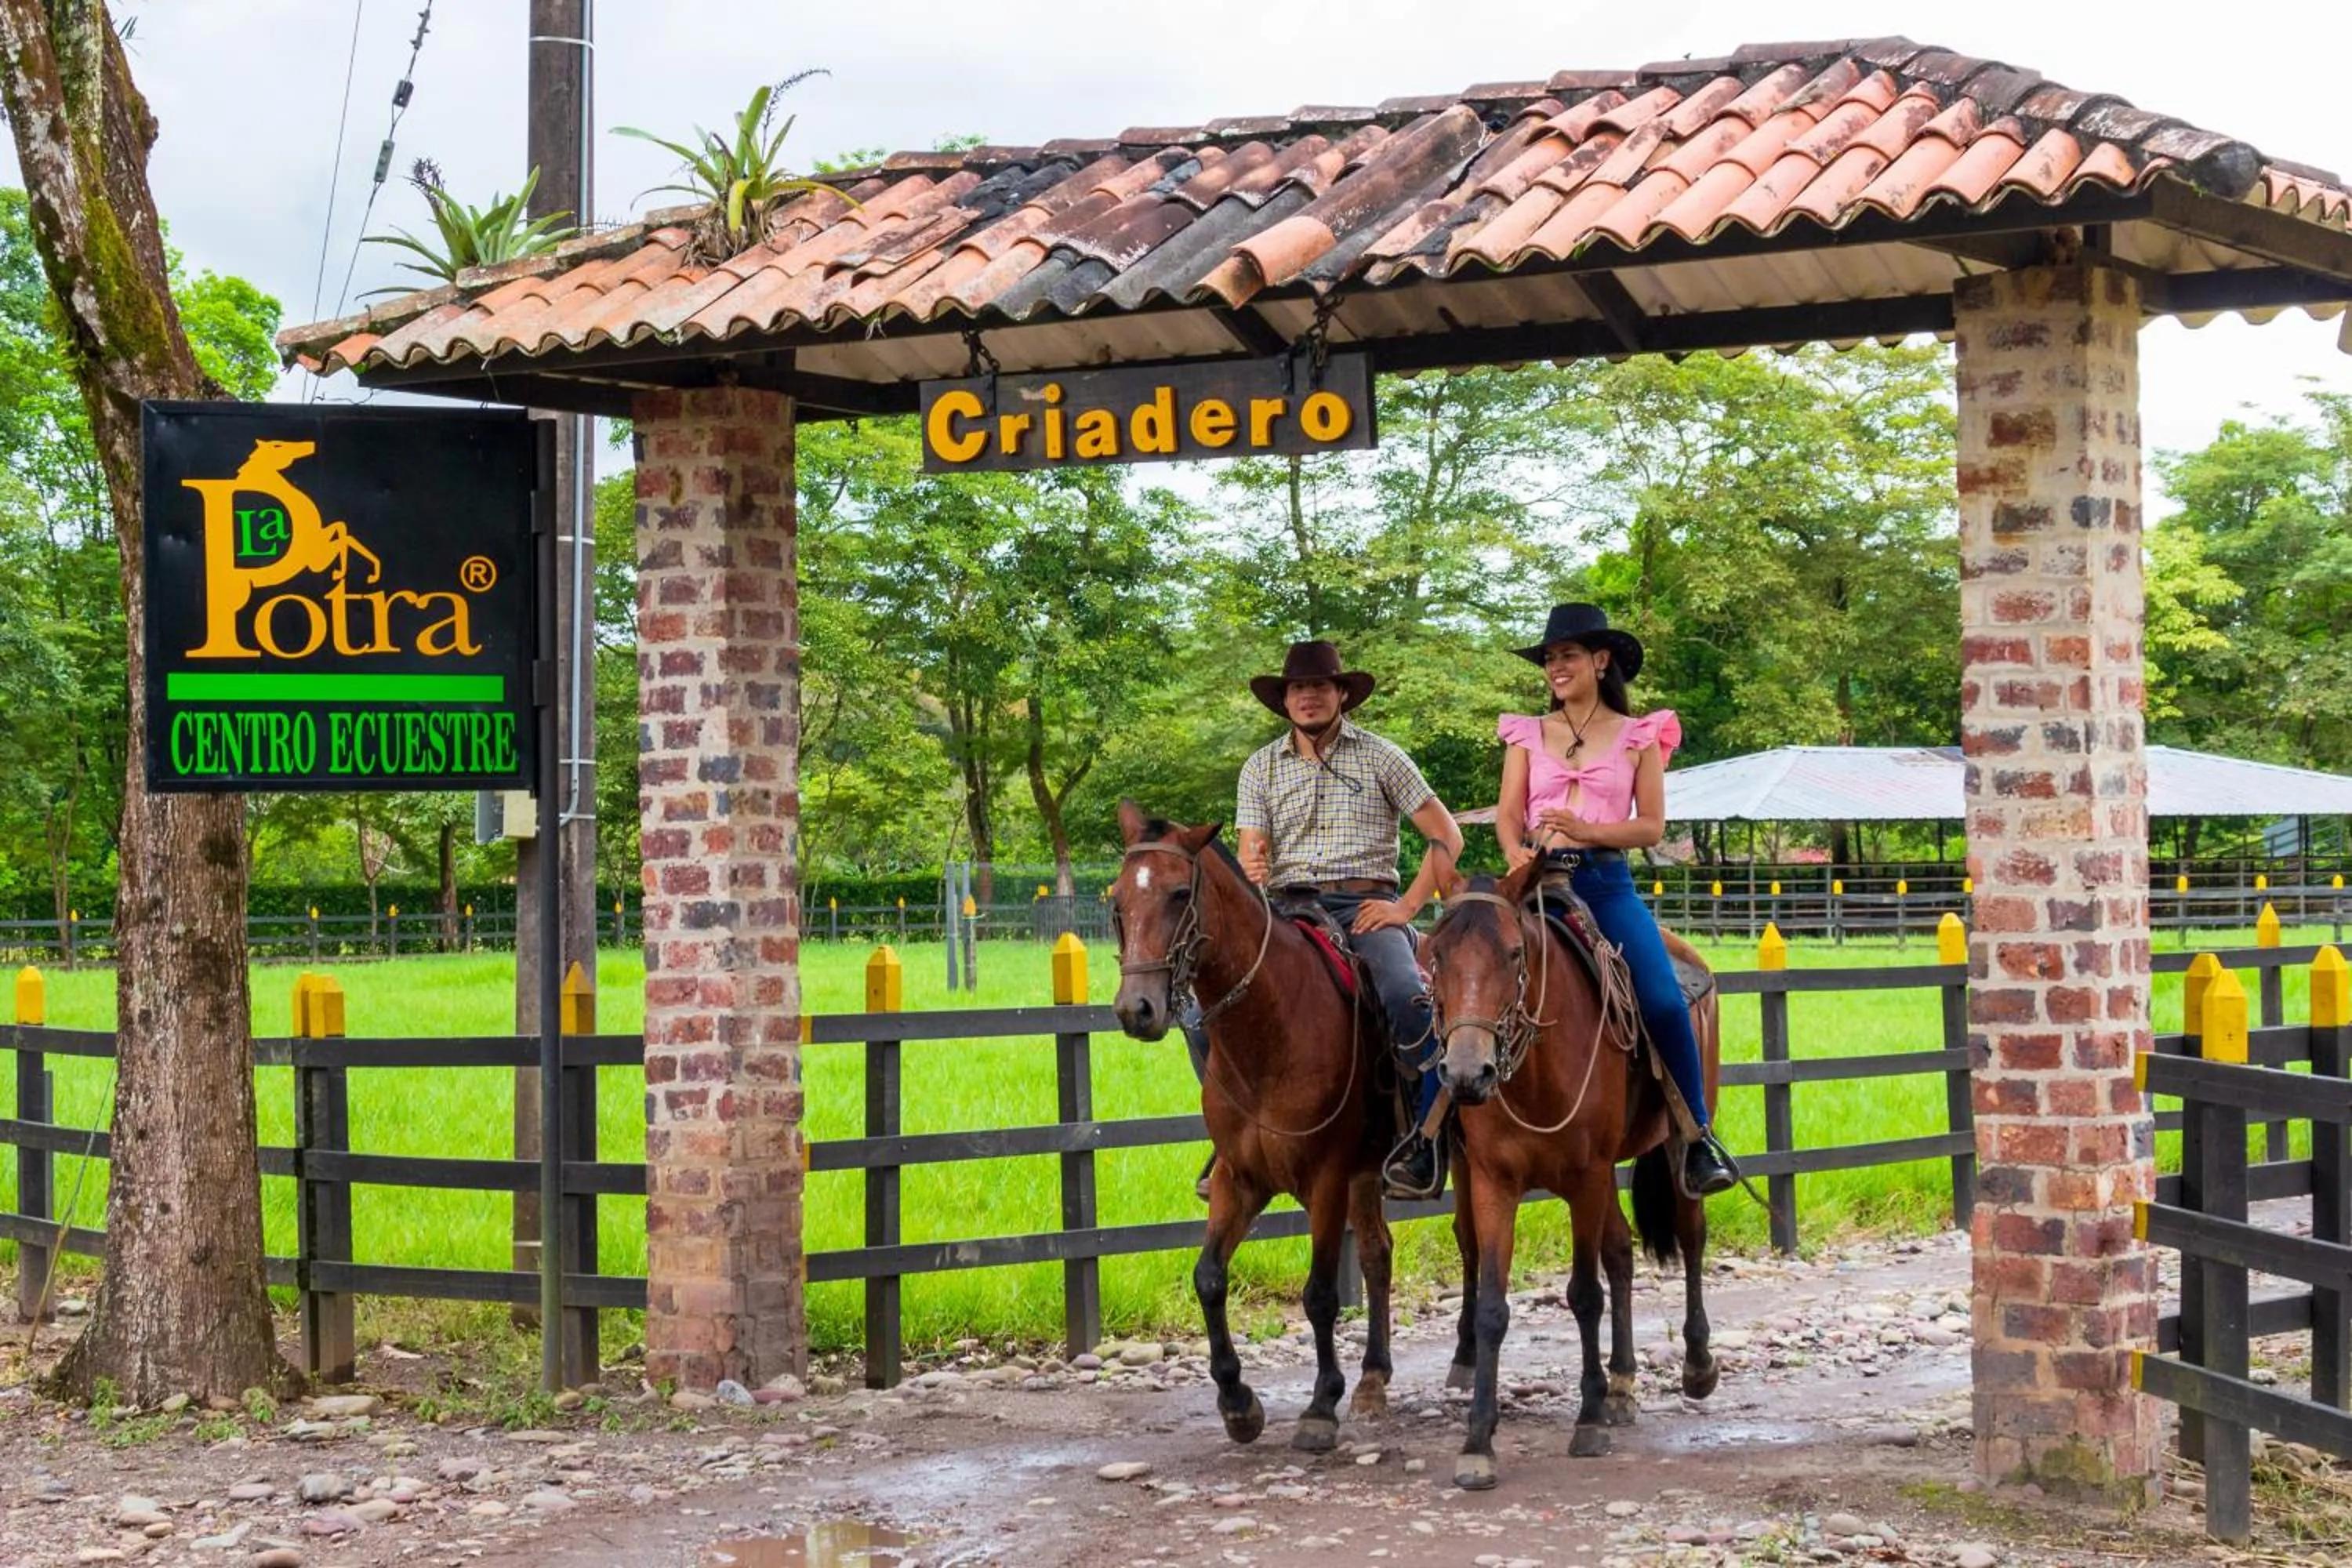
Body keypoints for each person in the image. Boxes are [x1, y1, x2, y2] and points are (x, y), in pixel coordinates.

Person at [1493, 604, 1739, 1199]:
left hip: (1604, 885)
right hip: (1536, 883)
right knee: (1459, 979)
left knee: (1659, 996)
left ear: (1601, 661)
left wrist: (1586, 830)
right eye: (1550, 658)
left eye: (1568, 656)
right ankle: (1428, 1136)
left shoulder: (1639, 737)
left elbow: (1651, 827)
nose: (1556, 667)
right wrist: (1515, 855)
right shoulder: (1527, 733)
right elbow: (1506, 815)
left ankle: (1696, 1135)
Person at [1206, 638, 1464, 1201]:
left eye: (1320, 686)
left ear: (1341, 694)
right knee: (1210, 1003)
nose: (1308, 697)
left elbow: (1448, 835)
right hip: (1287, 908)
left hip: (1365, 905)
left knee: (1404, 993)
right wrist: (1253, 862)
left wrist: (1406, 908)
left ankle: (1427, 1133)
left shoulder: (1382, 756)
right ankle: (1232, 1135)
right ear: (1285, 700)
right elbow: (1254, 850)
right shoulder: (1260, 767)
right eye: (1298, 688)